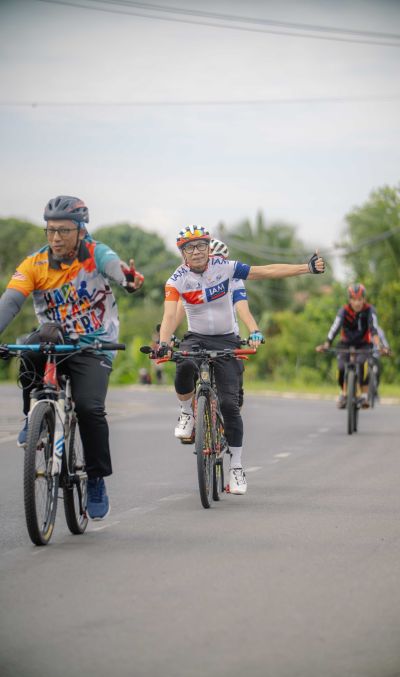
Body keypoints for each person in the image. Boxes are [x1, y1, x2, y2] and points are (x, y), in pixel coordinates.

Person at [0, 195, 143, 520]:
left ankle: (95, 479)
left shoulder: (95, 254)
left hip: (95, 346)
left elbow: (116, 268)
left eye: (64, 230)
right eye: (50, 230)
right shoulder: (34, 264)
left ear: (81, 231)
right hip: (55, 340)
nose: (56, 238)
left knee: (90, 408)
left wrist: (128, 280)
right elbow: (10, 302)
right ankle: (32, 416)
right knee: (29, 348)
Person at [158, 225, 325, 495]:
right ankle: (187, 412)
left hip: (227, 339)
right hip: (196, 337)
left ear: (209, 248)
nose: (196, 251)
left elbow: (265, 271)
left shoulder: (226, 268)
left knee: (230, 405)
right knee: (183, 363)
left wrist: (306, 268)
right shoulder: (176, 279)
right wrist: (164, 344)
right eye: (189, 248)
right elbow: (169, 315)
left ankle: (235, 466)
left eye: (201, 245)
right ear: (182, 253)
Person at [174, 237, 263, 408]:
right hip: (200, 336)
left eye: (221, 260)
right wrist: (167, 336)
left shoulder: (234, 279)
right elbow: (178, 311)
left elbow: (243, 309)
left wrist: (254, 330)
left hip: (228, 337)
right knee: (187, 368)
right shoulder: (190, 280)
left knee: (234, 399)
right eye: (213, 259)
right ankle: (189, 411)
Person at [316, 283, 380, 409]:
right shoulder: (344, 310)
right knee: (341, 367)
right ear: (349, 300)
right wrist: (327, 343)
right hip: (345, 343)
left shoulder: (369, 310)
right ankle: (343, 393)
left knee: (362, 363)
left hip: (363, 344)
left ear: (364, 299)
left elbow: (374, 330)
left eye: (360, 299)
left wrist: (380, 346)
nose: (357, 303)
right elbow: (335, 328)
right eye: (354, 300)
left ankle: (363, 396)